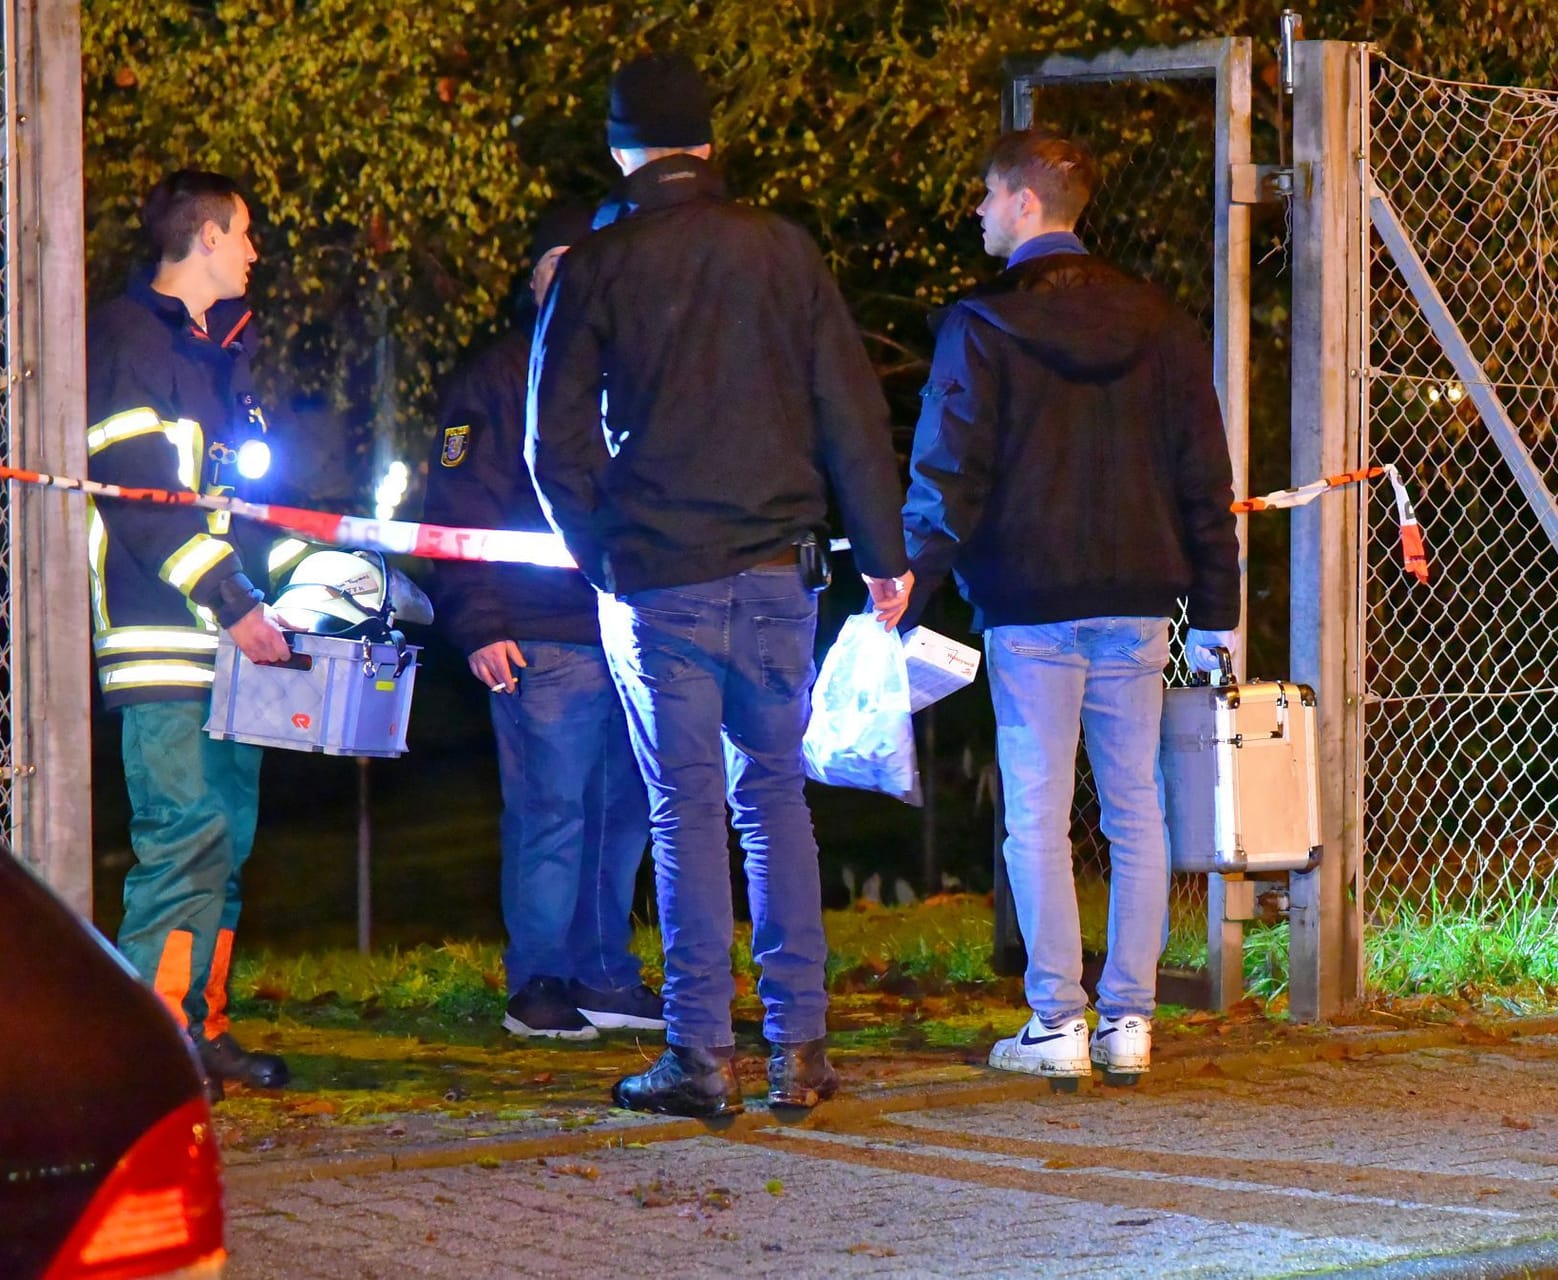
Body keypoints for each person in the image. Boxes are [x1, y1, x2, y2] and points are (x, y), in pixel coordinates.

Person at [528, 52, 912, 1117]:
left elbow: (550, 440)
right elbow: (850, 411)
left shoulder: (599, 265)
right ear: (710, 142)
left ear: (621, 146)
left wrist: (603, 552)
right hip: (780, 571)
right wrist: (882, 553)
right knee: (774, 797)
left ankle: (701, 1055)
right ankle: (802, 1046)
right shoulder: (784, 251)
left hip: (658, 581)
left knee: (681, 808)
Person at [899, 130, 1240, 1078]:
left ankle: (1058, 1022)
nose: (976, 210)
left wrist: (905, 592)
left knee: (1037, 815)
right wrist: (1217, 606)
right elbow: (1202, 476)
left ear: (1024, 204)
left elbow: (947, 475)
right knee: (1138, 810)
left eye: (985, 193)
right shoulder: (1161, 324)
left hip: (1028, 602)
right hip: (1138, 604)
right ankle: (1130, 1020)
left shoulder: (981, 325)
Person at [421, 204, 665, 1043]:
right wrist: (480, 622)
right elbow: (452, 509)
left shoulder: (629, 372)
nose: (574, 283)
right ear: (533, 280)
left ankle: (602, 976)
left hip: (626, 629)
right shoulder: (494, 377)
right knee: (552, 813)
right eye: (557, 266)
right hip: (538, 632)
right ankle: (539, 985)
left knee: (622, 809)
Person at [87, 170, 296, 1094]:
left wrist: (287, 590)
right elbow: (136, 498)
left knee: (227, 842)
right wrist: (236, 599)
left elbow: (234, 510)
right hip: (163, 636)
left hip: (228, 639)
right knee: (183, 838)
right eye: (244, 233)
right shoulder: (125, 339)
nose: (254, 251)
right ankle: (144, 1053)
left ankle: (198, 1030)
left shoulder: (224, 357)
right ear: (205, 238)